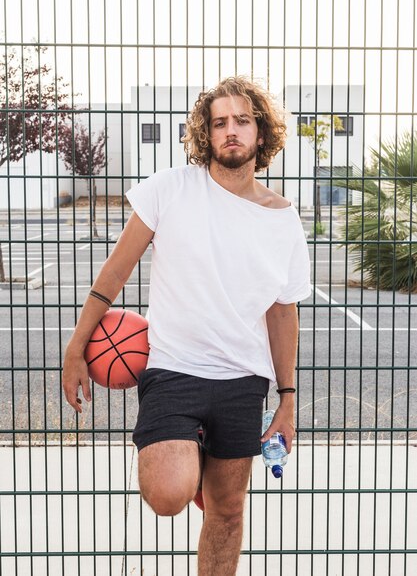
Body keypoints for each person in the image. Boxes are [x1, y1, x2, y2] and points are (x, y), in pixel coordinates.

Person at [62, 76, 311, 575]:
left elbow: (283, 312)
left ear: (261, 133)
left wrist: (286, 400)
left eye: (242, 121)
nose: (231, 131)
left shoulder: (282, 219)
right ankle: (191, 461)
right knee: (168, 493)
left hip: (244, 379)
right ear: (205, 133)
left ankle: (204, 466)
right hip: (174, 370)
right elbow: (115, 270)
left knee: (228, 512)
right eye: (220, 122)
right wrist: (76, 348)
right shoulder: (170, 189)